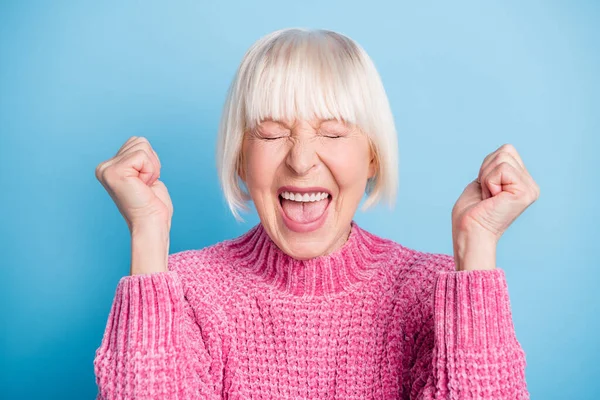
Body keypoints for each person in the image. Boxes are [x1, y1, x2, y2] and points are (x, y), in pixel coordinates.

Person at [93, 28, 538, 399]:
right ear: (240, 159)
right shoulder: (185, 292)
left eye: (333, 131)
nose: (301, 160)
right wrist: (147, 239)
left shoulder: (431, 295)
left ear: (372, 157)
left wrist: (476, 250)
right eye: (271, 133)